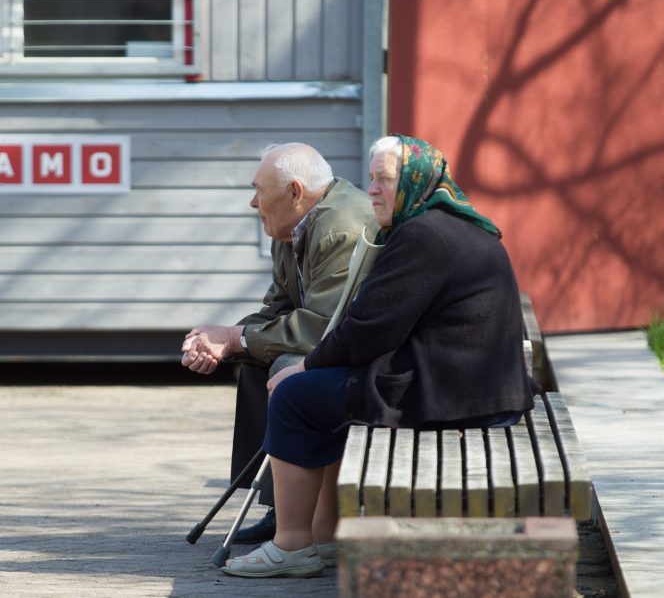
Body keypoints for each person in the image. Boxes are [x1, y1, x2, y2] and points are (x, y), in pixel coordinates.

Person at [220, 135, 535, 578]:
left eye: (385, 180)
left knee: (295, 397)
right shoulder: (446, 224)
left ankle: (291, 545)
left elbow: (367, 329)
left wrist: (306, 367)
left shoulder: (422, 236)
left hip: (453, 393)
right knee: (318, 392)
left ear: (415, 182)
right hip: (471, 385)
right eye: (371, 179)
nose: (372, 190)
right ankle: (326, 537)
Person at [181, 142, 378, 543]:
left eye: (259, 190)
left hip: (369, 359)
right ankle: (279, 506)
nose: (253, 202)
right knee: (256, 361)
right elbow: (278, 309)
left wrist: (236, 338)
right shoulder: (293, 226)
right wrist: (219, 340)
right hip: (340, 350)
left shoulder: (339, 227)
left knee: (284, 369)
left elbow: (323, 325)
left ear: (294, 191)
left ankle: (299, 527)